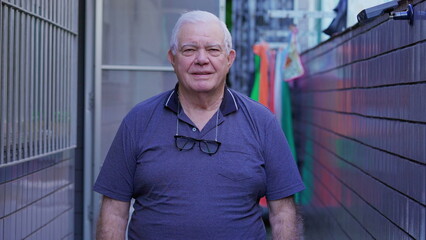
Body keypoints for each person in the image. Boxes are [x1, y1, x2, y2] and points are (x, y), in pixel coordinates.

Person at [94, 10, 305, 240]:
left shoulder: (262, 122)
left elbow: (283, 213)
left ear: (229, 59)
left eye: (213, 50)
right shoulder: (138, 121)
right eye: (189, 50)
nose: (202, 59)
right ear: (172, 58)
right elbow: (114, 212)